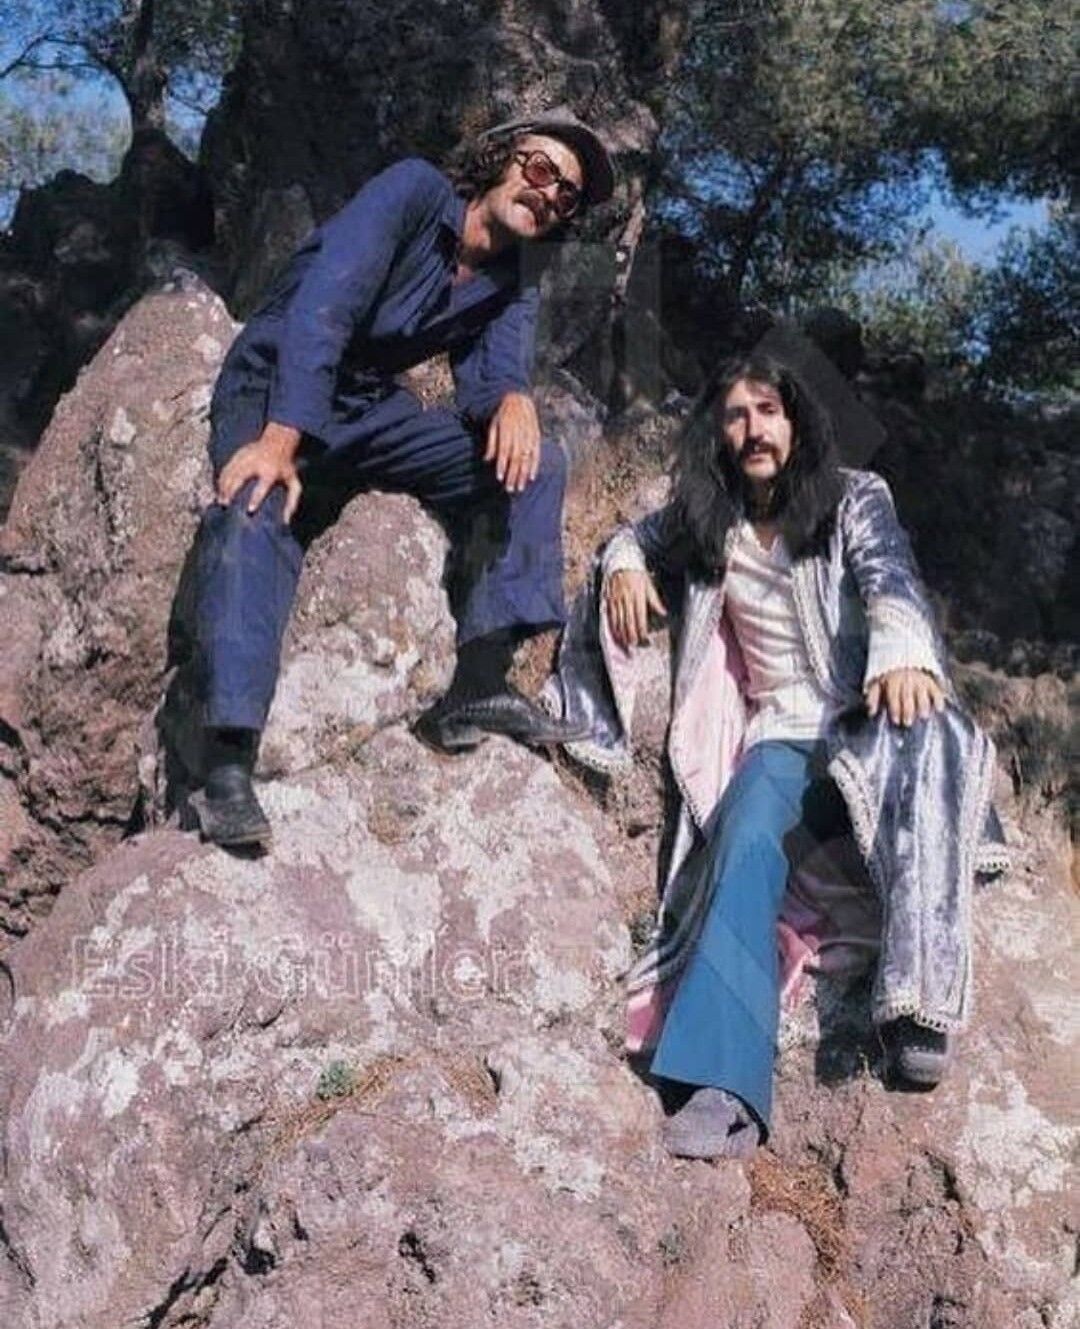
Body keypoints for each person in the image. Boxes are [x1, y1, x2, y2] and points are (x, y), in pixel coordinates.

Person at [548, 350, 1007, 1159]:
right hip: (781, 738)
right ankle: (723, 1086)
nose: (754, 428)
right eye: (737, 414)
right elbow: (637, 538)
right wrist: (621, 564)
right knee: (745, 833)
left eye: (768, 410)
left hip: (867, 721)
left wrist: (904, 651)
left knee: (933, 729)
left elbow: (890, 575)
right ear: (719, 433)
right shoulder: (707, 517)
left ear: (795, 420)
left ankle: (918, 1008)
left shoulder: (854, 497)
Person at [194, 108, 615, 848]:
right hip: (278, 383)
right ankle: (226, 764)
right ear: (500, 158)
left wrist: (514, 399)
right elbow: (324, 306)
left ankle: (476, 686)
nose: (549, 194)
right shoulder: (414, 191)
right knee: (256, 503)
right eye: (541, 168)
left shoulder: (516, 275)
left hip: (369, 408)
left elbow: (493, 376)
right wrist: (280, 440)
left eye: (567, 194)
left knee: (535, 463)